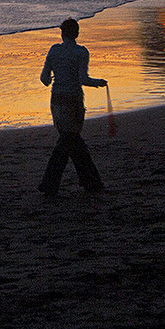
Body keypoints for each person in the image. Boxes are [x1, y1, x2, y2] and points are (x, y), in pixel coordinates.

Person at [39, 18, 107, 196]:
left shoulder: (54, 50)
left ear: (62, 33)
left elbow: (44, 79)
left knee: (69, 140)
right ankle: (86, 181)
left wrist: (52, 79)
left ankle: (88, 181)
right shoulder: (81, 52)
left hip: (57, 100)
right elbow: (83, 79)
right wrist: (98, 83)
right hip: (73, 100)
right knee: (71, 140)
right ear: (76, 33)